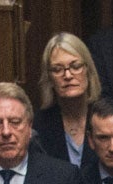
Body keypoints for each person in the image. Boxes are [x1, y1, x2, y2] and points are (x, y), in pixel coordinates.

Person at [32, 32, 99, 168]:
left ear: (88, 70)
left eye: (75, 66)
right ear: (49, 78)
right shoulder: (38, 125)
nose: (67, 75)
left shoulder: (108, 117)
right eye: (57, 69)